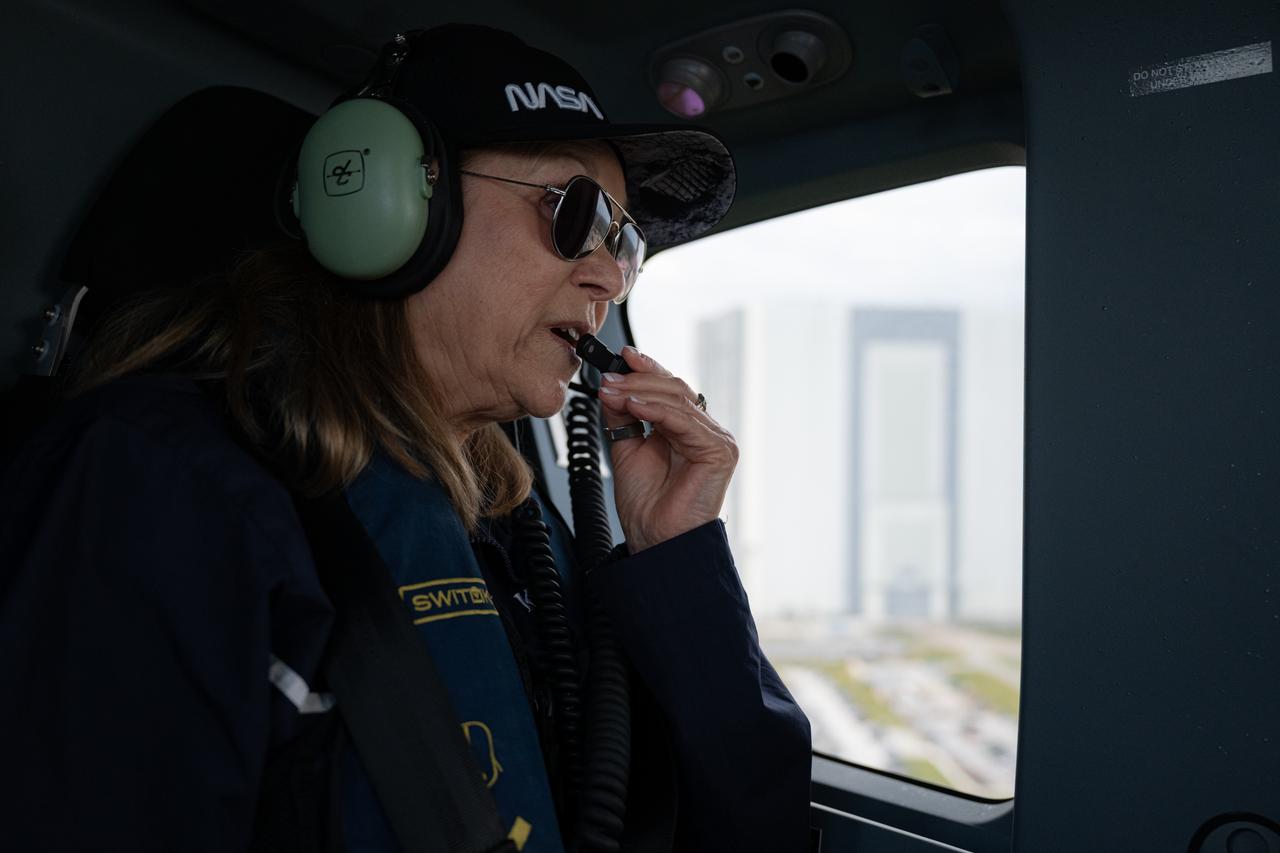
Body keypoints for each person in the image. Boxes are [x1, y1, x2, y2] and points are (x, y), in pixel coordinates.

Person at [0, 24, 811, 853]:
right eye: (575, 214)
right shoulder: (158, 487)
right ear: (390, 207)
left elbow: (752, 833)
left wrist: (678, 564)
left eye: (623, 242)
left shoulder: (516, 526)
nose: (607, 276)